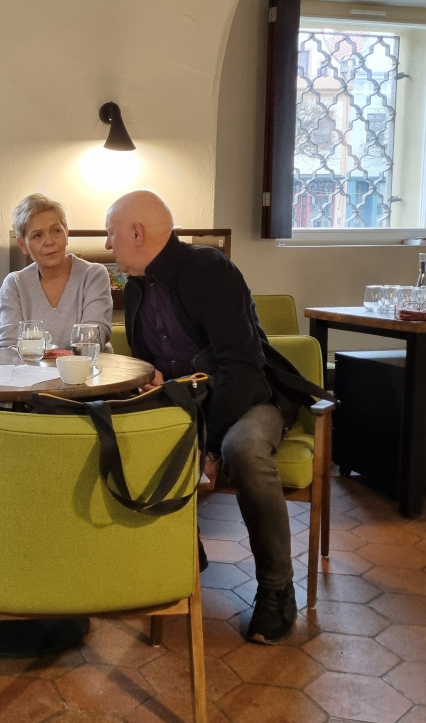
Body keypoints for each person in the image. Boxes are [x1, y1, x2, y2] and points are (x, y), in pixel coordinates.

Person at [104, 190, 304, 645]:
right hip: (185, 402)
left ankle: (277, 590)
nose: (109, 243)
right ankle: (179, 556)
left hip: (250, 398)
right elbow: (151, 362)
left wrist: (208, 443)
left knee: (244, 450)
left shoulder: (209, 269)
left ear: (136, 232)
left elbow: (241, 367)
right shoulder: (136, 285)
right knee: (120, 433)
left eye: (112, 233)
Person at [0, 194, 113, 350]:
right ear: (22, 245)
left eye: (56, 231)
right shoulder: (14, 284)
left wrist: (46, 358)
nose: (50, 241)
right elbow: (6, 347)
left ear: (66, 233)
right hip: (32, 373)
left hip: (87, 372)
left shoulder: (94, 274)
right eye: (38, 235)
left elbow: (92, 339)